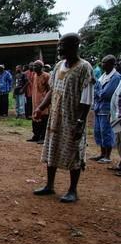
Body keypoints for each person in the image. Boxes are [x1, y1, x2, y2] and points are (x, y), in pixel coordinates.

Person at [33, 33, 94, 203]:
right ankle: (50, 185)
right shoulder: (59, 65)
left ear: (75, 46)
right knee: (52, 148)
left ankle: (73, 190)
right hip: (55, 117)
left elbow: (87, 98)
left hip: (73, 118)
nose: (59, 49)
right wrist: (40, 108)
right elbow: (52, 90)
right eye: (59, 45)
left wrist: (81, 122)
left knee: (74, 152)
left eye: (63, 45)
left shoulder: (84, 68)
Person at [90, 55, 120, 164]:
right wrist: (97, 91)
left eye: (105, 62)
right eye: (102, 62)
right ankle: (102, 154)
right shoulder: (103, 76)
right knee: (98, 131)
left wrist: (96, 89)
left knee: (106, 131)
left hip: (107, 109)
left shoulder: (115, 77)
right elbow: (97, 92)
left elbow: (106, 94)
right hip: (98, 108)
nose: (102, 64)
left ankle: (107, 156)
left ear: (112, 64)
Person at [27, 60, 51, 144]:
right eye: (33, 66)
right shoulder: (34, 75)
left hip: (43, 102)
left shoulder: (47, 76)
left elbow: (49, 89)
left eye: (36, 66)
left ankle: (43, 137)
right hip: (35, 100)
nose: (34, 68)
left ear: (41, 67)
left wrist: (47, 101)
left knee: (43, 119)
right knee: (35, 118)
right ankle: (36, 135)